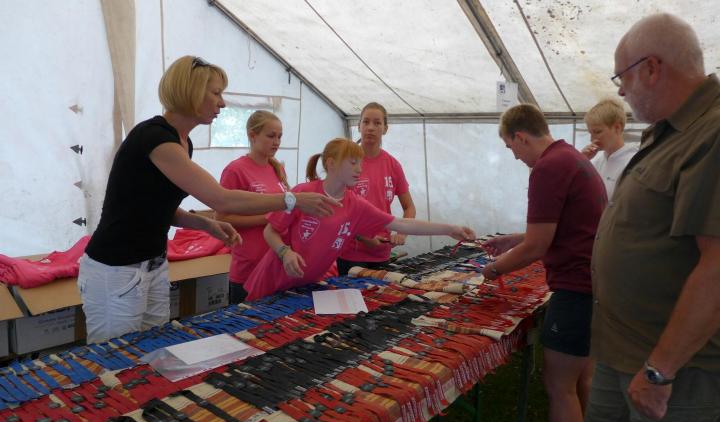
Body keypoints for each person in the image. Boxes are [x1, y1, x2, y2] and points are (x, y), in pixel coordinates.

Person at [585, 13, 720, 422]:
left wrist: (660, 370)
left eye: (622, 77)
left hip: (677, 368)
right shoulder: (669, 131)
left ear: (652, 68)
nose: (620, 92)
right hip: (625, 349)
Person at [79, 56, 339, 344]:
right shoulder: (155, 139)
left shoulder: (182, 143)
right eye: (216, 93)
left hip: (153, 265)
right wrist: (291, 200)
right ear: (190, 92)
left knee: (151, 350)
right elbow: (222, 199)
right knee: (116, 356)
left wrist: (206, 225)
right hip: (117, 269)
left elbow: (156, 207)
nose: (222, 103)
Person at [481, 104, 606, 422]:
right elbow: (564, 228)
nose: (514, 156)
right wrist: (514, 240)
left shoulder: (548, 168)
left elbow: (537, 246)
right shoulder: (570, 158)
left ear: (521, 137)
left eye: (511, 147)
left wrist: (493, 269)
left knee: (559, 385)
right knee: (582, 377)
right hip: (595, 286)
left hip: (576, 289)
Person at [244, 138, 474, 300]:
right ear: (331, 163)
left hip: (306, 287)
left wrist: (449, 229)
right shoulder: (304, 193)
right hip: (273, 282)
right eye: (353, 163)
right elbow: (270, 231)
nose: (359, 169)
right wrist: (285, 253)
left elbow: (401, 223)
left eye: (360, 163)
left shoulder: (355, 205)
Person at [218, 111, 289, 304]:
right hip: (249, 268)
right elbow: (222, 218)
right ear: (252, 135)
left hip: (275, 264)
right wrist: (267, 218)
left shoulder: (278, 169)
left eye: (280, 136)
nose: (276, 142)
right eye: (271, 136)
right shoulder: (236, 170)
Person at [337, 102, 416, 276]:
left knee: (379, 294)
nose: (371, 128)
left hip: (381, 252)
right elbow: (338, 210)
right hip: (350, 252)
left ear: (385, 128)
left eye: (377, 123)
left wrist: (402, 233)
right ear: (359, 126)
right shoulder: (346, 162)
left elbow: (409, 207)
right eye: (366, 122)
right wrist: (364, 238)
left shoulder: (393, 165)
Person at [580, 99, 638, 198]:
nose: (592, 139)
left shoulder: (633, 162)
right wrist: (581, 161)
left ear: (617, 128)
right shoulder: (597, 162)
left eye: (597, 132)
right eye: (590, 133)